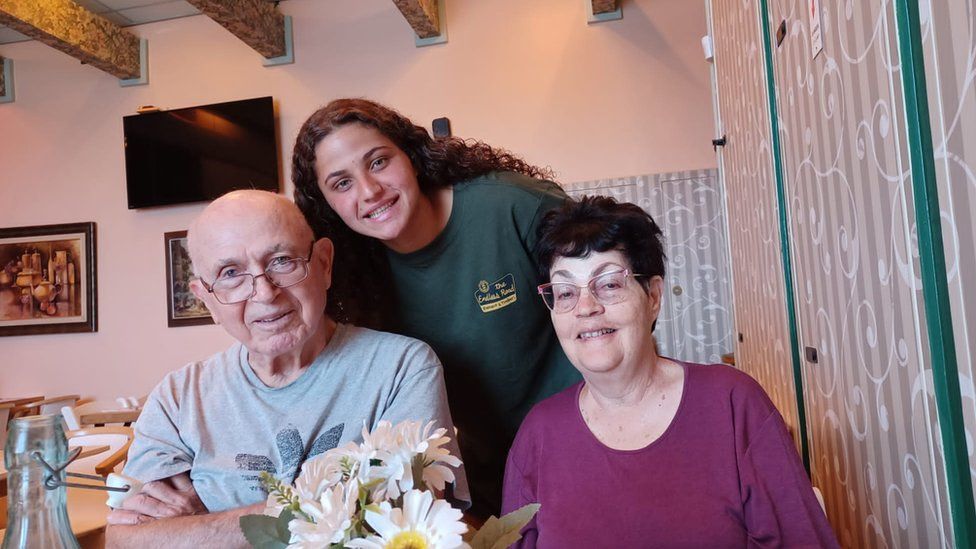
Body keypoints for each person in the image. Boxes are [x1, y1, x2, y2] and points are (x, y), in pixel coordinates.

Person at [105, 190, 467, 548]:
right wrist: (337, 509)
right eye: (231, 273)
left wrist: (202, 525)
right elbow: (126, 540)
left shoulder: (402, 368)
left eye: (281, 261)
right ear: (207, 300)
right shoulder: (177, 398)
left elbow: (407, 524)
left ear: (323, 264)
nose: (264, 293)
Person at [292, 98, 581, 519]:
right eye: (341, 183)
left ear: (410, 154)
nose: (369, 191)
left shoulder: (514, 207)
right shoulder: (349, 276)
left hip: (580, 450)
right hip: (482, 486)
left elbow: (617, 304)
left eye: (377, 162)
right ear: (325, 204)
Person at [501, 196, 839, 547]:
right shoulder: (538, 434)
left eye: (610, 284)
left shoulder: (732, 402)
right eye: (566, 291)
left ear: (653, 296)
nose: (586, 307)